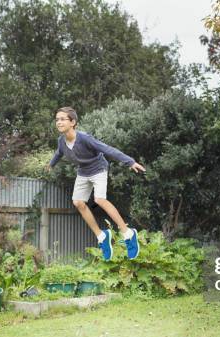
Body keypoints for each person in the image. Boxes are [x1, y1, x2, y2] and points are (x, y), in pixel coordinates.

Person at [46, 107, 146, 261]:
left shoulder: (85, 138)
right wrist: (51, 164)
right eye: (57, 119)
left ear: (72, 122)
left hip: (98, 168)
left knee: (100, 199)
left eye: (62, 119)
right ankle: (101, 236)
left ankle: (128, 233)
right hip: (83, 172)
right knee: (78, 203)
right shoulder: (61, 141)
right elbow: (59, 153)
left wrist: (130, 161)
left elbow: (107, 149)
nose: (58, 122)